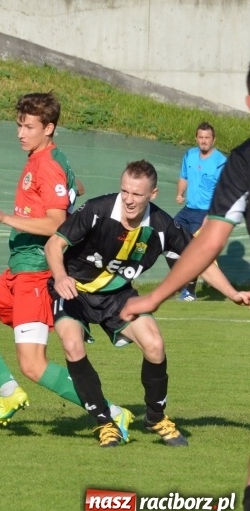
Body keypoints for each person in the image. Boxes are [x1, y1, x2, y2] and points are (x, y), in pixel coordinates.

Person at [0, 92, 128, 431]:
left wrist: (4, 217)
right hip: (16, 272)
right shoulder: (45, 159)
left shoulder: (47, 164)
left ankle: (112, 413)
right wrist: (70, 190)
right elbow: (69, 191)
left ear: (49, 127)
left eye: (29, 127)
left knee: (33, 365)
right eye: (19, 125)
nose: (21, 133)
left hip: (35, 274)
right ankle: (8, 391)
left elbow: (57, 224)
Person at [45, 160, 250, 447]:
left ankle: (155, 417)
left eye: (137, 194)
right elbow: (54, 244)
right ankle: (105, 423)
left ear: (152, 194)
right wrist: (60, 276)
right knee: (71, 344)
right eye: (125, 191)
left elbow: (200, 259)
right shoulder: (97, 209)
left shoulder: (163, 225)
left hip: (118, 296)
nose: (128, 199)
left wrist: (232, 293)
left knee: (154, 344)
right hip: (73, 290)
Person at [121, 64, 250, 321]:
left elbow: (209, 244)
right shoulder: (222, 160)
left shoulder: (238, 161)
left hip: (205, 213)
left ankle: (186, 287)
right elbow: (204, 244)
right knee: (174, 240)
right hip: (190, 210)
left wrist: (154, 298)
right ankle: (188, 287)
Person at [167, 122, 227, 301]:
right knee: (168, 242)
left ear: (213, 139)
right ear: (196, 138)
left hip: (206, 213)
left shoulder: (221, 162)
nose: (204, 141)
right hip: (187, 211)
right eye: (200, 137)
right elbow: (184, 176)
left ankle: (189, 291)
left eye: (207, 138)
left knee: (191, 251)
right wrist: (180, 192)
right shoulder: (190, 155)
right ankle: (182, 282)